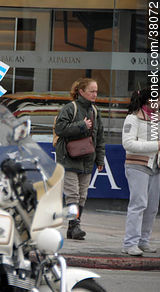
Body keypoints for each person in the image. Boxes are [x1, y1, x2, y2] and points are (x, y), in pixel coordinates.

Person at [54, 77, 105, 240]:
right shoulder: (70, 108)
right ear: (81, 92)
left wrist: (100, 159)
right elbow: (60, 129)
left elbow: (100, 137)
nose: (95, 94)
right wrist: (81, 125)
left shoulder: (96, 111)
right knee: (73, 194)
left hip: (87, 159)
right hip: (68, 159)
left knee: (82, 195)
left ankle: (73, 227)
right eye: (92, 91)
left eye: (96, 91)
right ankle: (75, 226)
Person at [121, 88, 160, 256]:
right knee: (138, 204)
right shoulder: (133, 118)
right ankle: (130, 243)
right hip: (137, 165)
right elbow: (128, 144)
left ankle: (144, 241)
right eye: (157, 99)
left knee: (152, 207)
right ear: (147, 101)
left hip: (155, 166)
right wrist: (156, 146)